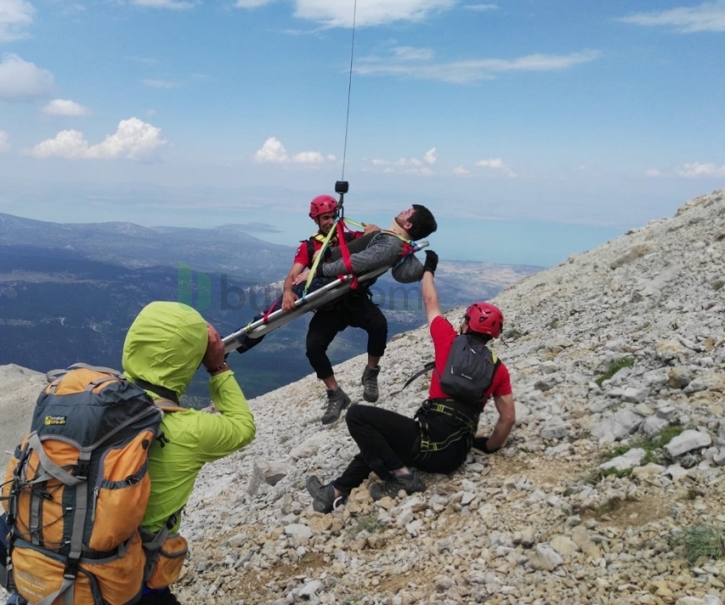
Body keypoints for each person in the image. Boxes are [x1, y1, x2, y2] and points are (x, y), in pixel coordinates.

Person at [305, 251, 514, 510]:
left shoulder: (448, 340)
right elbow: (507, 419)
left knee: (357, 416)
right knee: (382, 441)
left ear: (467, 325)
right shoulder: (498, 369)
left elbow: (429, 300)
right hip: (454, 456)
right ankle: (334, 492)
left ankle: (403, 477)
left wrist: (428, 269)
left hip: (425, 442)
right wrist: (489, 446)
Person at [124, 301, 257, 605]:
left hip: (49, 570)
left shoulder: (94, 398)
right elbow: (243, 426)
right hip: (129, 582)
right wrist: (217, 366)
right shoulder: (188, 430)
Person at [285, 201, 436, 424]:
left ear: (409, 223)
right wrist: (289, 290)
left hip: (352, 298)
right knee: (314, 347)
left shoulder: (372, 239)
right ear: (316, 220)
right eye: (324, 217)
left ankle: (370, 374)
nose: (329, 221)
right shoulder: (310, 246)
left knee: (378, 325)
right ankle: (336, 394)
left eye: (331, 216)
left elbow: (358, 259)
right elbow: (294, 273)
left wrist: (317, 270)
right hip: (331, 303)